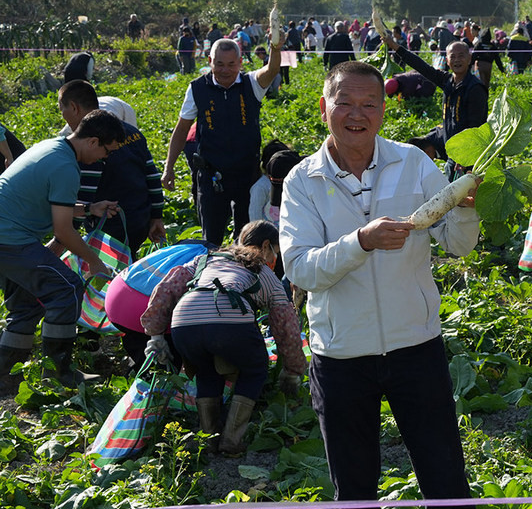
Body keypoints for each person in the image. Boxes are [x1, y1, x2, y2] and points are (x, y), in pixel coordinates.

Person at [280, 60, 482, 509]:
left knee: (447, 483)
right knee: (356, 497)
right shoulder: (302, 181)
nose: (357, 114)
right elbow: (301, 269)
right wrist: (361, 242)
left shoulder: (412, 163)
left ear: (383, 110)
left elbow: (457, 244)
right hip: (341, 355)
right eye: (345, 103)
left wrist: (466, 210)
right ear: (324, 107)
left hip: (416, 345)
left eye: (369, 104)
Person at [142, 220, 306, 455]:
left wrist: (156, 335)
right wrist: (292, 370)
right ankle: (232, 440)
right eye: (275, 253)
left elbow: (166, 288)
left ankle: (209, 438)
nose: (275, 259)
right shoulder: (262, 271)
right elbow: (285, 325)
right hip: (228, 319)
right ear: (266, 246)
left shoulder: (204, 260)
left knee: (206, 372)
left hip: (184, 323)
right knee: (255, 369)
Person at [0, 110, 125, 391]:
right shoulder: (65, 167)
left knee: (28, 302)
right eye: (107, 151)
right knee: (66, 288)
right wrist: (95, 262)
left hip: (7, 234)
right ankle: (59, 374)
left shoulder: (52, 148)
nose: (104, 158)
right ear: (93, 141)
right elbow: (63, 231)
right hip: (10, 238)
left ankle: (5, 375)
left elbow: (53, 204)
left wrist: (89, 209)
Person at [162, 33, 284, 247]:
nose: (225, 70)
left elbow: (272, 70)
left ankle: (243, 268)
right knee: (211, 238)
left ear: (240, 62)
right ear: (210, 61)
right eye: (219, 64)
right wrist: (168, 167)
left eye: (231, 64)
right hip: (211, 175)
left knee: (248, 238)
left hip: (247, 174)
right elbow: (182, 129)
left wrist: (275, 48)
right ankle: (213, 267)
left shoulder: (251, 83)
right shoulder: (197, 88)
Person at [58, 81, 166, 252]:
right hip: (140, 219)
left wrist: (67, 235)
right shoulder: (131, 132)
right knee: (129, 259)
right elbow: (152, 177)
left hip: (109, 224)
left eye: (61, 110)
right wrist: (156, 216)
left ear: (73, 107)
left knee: (112, 265)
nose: (62, 116)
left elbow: (85, 194)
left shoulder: (89, 143)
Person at [384, 35, 487, 179]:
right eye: (453, 56)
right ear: (447, 61)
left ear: (469, 59)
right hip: (452, 154)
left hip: (468, 158)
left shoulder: (475, 88)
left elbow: (475, 126)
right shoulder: (447, 81)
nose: (457, 60)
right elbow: (422, 67)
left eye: (461, 56)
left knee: (465, 192)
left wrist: (465, 157)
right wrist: (395, 47)